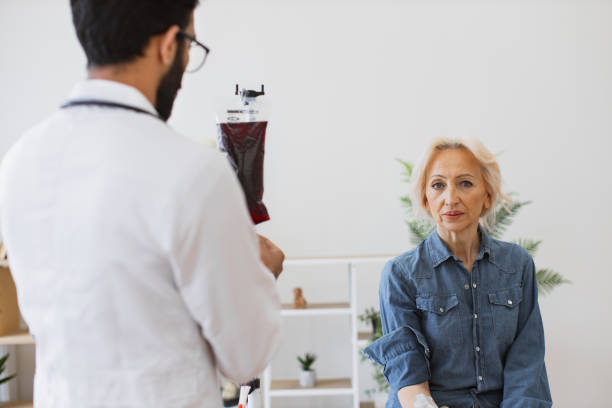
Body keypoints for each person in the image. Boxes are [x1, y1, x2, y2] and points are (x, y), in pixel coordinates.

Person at [0, 1, 285, 407]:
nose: (186, 65)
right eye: (190, 45)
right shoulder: (193, 173)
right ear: (169, 45)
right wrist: (261, 275)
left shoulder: (19, 163)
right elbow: (247, 357)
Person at [364, 138, 552, 408]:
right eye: (438, 185)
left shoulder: (517, 264)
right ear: (425, 199)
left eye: (465, 183)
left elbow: (527, 364)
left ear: (487, 195)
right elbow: (409, 376)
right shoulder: (400, 274)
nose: (450, 198)